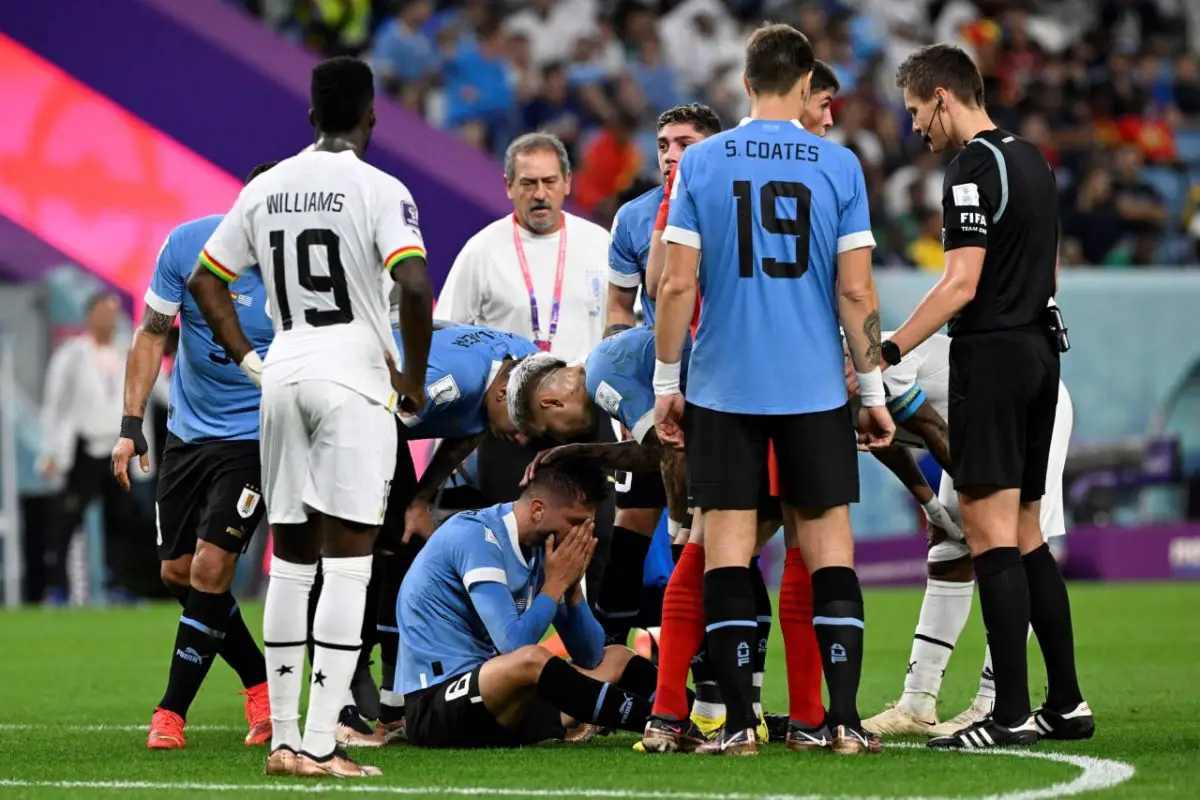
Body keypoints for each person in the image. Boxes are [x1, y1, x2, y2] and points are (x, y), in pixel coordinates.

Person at [188, 56, 434, 778]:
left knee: (290, 565)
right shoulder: (379, 187)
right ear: (372, 116)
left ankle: (285, 741)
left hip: (285, 372)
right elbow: (413, 283)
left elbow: (208, 279)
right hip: (350, 375)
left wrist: (245, 358)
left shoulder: (268, 187)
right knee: (349, 564)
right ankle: (324, 744)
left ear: (308, 116)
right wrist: (412, 382)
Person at [652, 24, 892, 756]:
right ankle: (843, 722)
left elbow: (676, 282)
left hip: (725, 387)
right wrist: (874, 389)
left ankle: (741, 731)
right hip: (815, 388)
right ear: (805, 82)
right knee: (829, 551)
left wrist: (668, 381)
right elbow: (856, 293)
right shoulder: (840, 165)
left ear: (747, 81)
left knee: (725, 548)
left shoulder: (702, 163)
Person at [888, 43, 1091, 749]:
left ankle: (1006, 714)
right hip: (1041, 351)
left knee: (985, 534)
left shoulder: (971, 165)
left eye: (918, 113)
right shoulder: (1032, 159)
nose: (917, 129)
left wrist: (892, 348)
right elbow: (1049, 269)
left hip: (995, 357)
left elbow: (960, 284)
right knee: (1027, 531)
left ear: (943, 96)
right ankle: (1065, 703)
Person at [114, 162, 279, 751]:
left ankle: (170, 713)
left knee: (212, 569)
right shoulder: (189, 245)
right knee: (178, 574)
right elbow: (151, 333)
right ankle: (261, 686)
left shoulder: (296, 274)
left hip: (255, 439)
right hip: (187, 434)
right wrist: (132, 426)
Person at [855, 332, 1075, 737]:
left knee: (1012, 547)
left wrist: (985, 504)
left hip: (1024, 415)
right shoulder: (821, 384)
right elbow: (883, 443)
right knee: (947, 554)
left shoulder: (880, 363)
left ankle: (993, 702)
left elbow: (933, 429)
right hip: (970, 434)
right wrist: (934, 510)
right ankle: (917, 704)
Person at [337, 322, 541, 744]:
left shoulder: (523, 358)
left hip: (379, 415)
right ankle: (344, 701)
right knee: (360, 553)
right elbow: (374, 419)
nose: (521, 433)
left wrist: (418, 500)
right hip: (351, 408)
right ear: (502, 393)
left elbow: (469, 431)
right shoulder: (446, 384)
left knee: (400, 546)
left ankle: (392, 705)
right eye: (521, 419)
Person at [434, 131, 615, 599]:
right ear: (509, 186)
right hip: (508, 431)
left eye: (549, 181)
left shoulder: (600, 244)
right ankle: (511, 654)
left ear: (568, 182)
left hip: (584, 424)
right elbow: (448, 338)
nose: (540, 194)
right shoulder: (482, 250)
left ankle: (586, 657)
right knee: (512, 551)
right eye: (528, 182)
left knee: (591, 543)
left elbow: (622, 335)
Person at [398, 462, 661, 748]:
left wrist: (572, 592)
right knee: (532, 659)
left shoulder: (540, 550)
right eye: (575, 523)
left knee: (616, 657)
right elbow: (514, 646)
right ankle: (655, 724)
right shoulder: (475, 536)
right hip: (436, 706)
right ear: (538, 510)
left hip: (504, 705)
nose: (580, 536)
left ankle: (687, 715)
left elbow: (591, 655)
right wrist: (554, 586)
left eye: (587, 526)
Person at [38, 291, 140, 604]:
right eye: (103, 311)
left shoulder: (128, 352)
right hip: (83, 448)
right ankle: (56, 587)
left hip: (119, 446)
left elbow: (152, 389)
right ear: (89, 315)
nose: (108, 319)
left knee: (119, 519)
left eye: (113, 312)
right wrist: (49, 452)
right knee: (67, 518)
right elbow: (54, 404)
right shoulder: (72, 354)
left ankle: (116, 584)